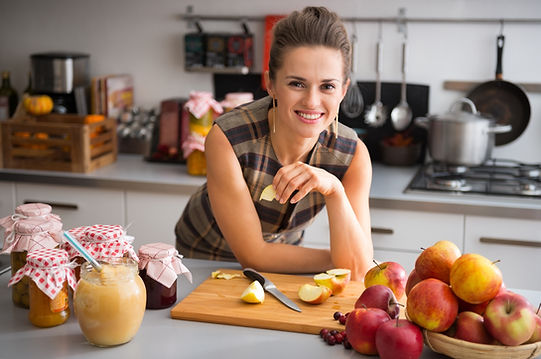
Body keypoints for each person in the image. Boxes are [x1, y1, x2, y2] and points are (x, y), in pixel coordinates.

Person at [175, 6, 373, 280]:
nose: (312, 102)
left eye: (327, 86)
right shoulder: (228, 138)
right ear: (271, 84)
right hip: (206, 259)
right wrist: (342, 258)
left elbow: (359, 269)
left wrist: (335, 190)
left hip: (286, 260)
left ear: (343, 91)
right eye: (297, 84)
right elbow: (254, 255)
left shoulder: (352, 155)